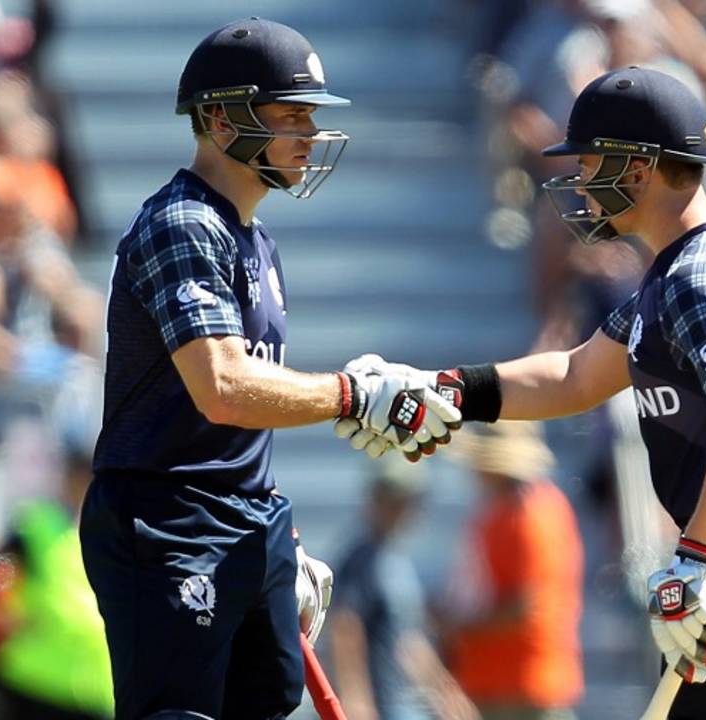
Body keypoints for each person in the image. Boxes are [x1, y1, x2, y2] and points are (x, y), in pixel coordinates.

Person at [338, 66, 706, 718]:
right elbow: (577, 375)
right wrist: (444, 390)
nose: (579, 183)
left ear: (639, 169)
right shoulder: (681, 267)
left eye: (591, 161)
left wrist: (692, 563)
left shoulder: (696, 279)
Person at [79, 17, 461, 720]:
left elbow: (236, 422)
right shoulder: (183, 223)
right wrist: (354, 397)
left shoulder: (255, 239)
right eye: (290, 116)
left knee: (269, 701)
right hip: (169, 522)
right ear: (221, 121)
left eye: (311, 117)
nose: (309, 134)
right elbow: (223, 388)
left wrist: (278, 529)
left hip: (244, 518)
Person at [441, 421, 583, 720]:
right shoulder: (508, 510)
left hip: (522, 685)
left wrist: (458, 624)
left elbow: (524, 607)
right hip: (501, 682)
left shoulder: (529, 514)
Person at [329, 459, 477, 720]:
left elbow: (407, 638)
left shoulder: (395, 558)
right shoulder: (360, 559)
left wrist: (445, 691)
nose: (405, 509)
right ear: (376, 499)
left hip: (403, 703)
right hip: (379, 702)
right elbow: (345, 627)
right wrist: (355, 698)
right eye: (395, 499)